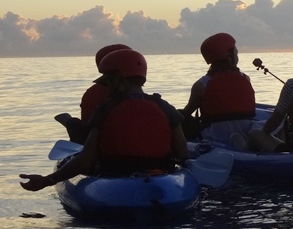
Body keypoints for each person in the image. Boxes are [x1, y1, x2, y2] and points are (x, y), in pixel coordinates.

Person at [20, 49, 189, 192]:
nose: (107, 85)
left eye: (109, 80)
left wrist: (47, 181)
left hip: (114, 180)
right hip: (160, 181)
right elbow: (182, 154)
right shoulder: (166, 108)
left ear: (119, 78)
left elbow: (85, 161)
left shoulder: (106, 109)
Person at [181, 32, 255, 145]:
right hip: (244, 133)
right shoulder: (246, 79)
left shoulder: (201, 85)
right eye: (235, 50)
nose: (237, 52)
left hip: (214, 137)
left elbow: (186, 113)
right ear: (229, 54)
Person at [56, 43, 132, 144]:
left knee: (73, 124)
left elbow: (86, 130)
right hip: (119, 145)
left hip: (100, 147)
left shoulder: (93, 93)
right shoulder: (136, 93)